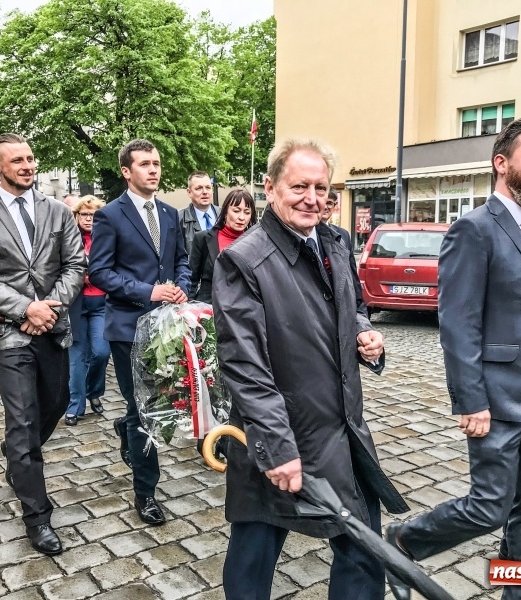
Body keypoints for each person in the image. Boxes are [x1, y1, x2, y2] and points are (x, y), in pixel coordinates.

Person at [384, 115, 521, 600]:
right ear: (502, 163)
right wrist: (470, 399)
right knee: (489, 507)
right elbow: (458, 323)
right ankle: (402, 542)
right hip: (496, 397)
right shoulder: (473, 229)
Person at [212, 138, 408, 600]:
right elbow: (245, 365)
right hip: (280, 435)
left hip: (344, 431)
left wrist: (365, 334)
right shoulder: (243, 260)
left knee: (364, 554)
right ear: (270, 188)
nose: (312, 198)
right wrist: (278, 447)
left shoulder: (336, 242)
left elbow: (353, 306)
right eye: (299, 186)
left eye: (321, 188)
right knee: (254, 555)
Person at [0, 132, 85, 556]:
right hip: (7, 332)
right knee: (23, 420)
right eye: (17, 160)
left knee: (57, 401)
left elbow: (75, 265)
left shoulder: (57, 211)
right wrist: (25, 309)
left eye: (30, 158)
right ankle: (37, 516)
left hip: (52, 324)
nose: (28, 166)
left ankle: (17, 453)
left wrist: (47, 308)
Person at [89, 138, 190, 526]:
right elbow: (100, 272)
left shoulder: (169, 213)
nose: (153, 170)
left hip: (167, 324)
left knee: (160, 402)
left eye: (156, 163)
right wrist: (148, 291)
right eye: (145, 164)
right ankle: (145, 492)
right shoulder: (109, 215)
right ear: (126, 171)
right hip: (128, 327)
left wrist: (181, 287)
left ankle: (126, 425)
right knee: (143, 410)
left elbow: (181, 261)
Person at [64, 195, 111, 426]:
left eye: (94, 214)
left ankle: (94, 391)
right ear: (77, 216)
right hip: (76, 304)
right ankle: (75, 405)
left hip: (101, 303)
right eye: (84, 214)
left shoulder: (107, 238)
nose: (89, 218)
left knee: (101, 352)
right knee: (77, 357)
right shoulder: (69, 238)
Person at [188, 189, 257, 302]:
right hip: (208, 307)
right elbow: (192, 279)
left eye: (247, 212)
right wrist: (189, 306)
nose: (242, 217)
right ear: (225, 212)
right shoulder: (203, 238)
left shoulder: (254, 243)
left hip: (241, 308)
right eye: (236, 211)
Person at [178, 171, 217, 257]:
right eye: (199, 188)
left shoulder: (225, 215)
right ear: (189, 192)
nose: (205, 192)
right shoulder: (178, 219)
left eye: (208, 187)